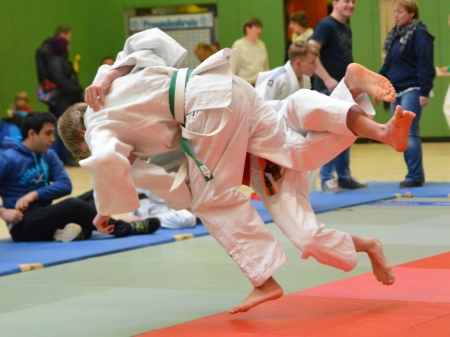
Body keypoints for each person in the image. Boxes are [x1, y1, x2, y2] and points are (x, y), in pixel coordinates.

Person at [58, 28, 414, 314]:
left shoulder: (98, 125)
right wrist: (111, 71)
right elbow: (146, 41)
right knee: (301, 173)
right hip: (227, 92)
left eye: (84, 150)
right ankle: (352, 96)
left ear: (81, 137)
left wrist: (105, 209)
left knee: (211, 199)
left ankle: (264, 279)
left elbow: (107, 162)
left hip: (207, 109)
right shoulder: (113, 85)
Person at [0, 112, 160, 242]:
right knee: (74, 205)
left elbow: (65, 185)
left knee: (97, 195)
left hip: (47, 214)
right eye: (48, 133)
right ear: (31, 134)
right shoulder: (7, 159)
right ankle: (125, 228)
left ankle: (78, 231)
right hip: (22, 225)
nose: (53, 139)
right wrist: (4, 212)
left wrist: (34, 195)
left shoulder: (48, 155)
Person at [308, 0, 366, 194]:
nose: (350, 5)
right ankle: (326, 180)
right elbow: (310, 51)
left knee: (347, 133)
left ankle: (344, 177)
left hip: (345, 89)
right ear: (335, 3)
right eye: (346, 1)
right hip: (328, 89)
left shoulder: (346, 28)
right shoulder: (325, 25)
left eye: (353, 2)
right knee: (329, 136)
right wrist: (327, 79)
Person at [375, 0, 435, 188]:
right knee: (401, 133)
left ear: (411, 14)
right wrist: (377, 86)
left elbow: (426, 64)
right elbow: (388, 65)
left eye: (400, 12)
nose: (396, 15)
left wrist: (424, 91)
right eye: (394, 12)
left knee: (409, 132)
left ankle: (415, 176)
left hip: (413, 88)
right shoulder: (395, 35)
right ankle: (413, 173)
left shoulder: (420, 34)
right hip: (397, 90)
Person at [255, 41, 318, 193]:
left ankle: (302, 197)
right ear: (298, 62)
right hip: (269, 130)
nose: (315, 66)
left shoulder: (306, 79)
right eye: (312, 62)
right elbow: (260, 107)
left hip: (292, 129)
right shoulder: (278, 78)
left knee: (310, 159)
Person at [36, 26, 82, 167]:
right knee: (62, 126)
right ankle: (64, 156)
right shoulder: (56, 62)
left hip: (61, 98)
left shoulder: (52, 58)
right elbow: (61, 80)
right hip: (62, 98)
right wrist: (76, 89)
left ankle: (64, 155)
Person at [124, 188, 197, 229]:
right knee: (187, 218)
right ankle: (142, 221)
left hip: (150, 206)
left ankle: (140, 222)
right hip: (156, 205)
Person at [229, 18, 269, 85]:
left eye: (260, 28)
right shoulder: (238, 45)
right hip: (245, 84)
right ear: (248, 29)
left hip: (260, 83)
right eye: (256, 28)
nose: (259, 31)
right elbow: (232, 68)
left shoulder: (261, 45)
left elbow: (266, 67)